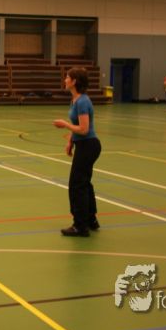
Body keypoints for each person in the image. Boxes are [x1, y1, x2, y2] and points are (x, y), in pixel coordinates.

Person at [53, 67, 100, 237]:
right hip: (83, 145)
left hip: (89, 146)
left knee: (77, 186)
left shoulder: (83, 102)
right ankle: (91, 220)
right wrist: (71, 142)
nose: (65, 80)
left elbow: (84, 129)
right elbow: (77, 127)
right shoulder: (75, 100)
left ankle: (80, 226)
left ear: (74, 82)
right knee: (84, 183)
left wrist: (65, 125)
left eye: (67, 77)